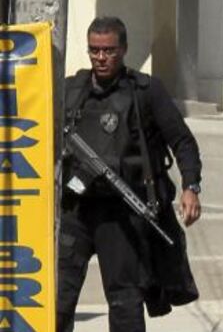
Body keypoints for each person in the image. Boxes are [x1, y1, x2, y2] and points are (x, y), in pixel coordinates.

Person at [58, 17, 202, 332]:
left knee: (124, 303)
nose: (101, 57)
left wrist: (191, 185)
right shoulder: (70, 90)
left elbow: (182, 140)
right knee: (58, 298)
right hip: (76, 209)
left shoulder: (145, 92)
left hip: (121, 213)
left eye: (108, 50)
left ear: (123, 50)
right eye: (94, 50)